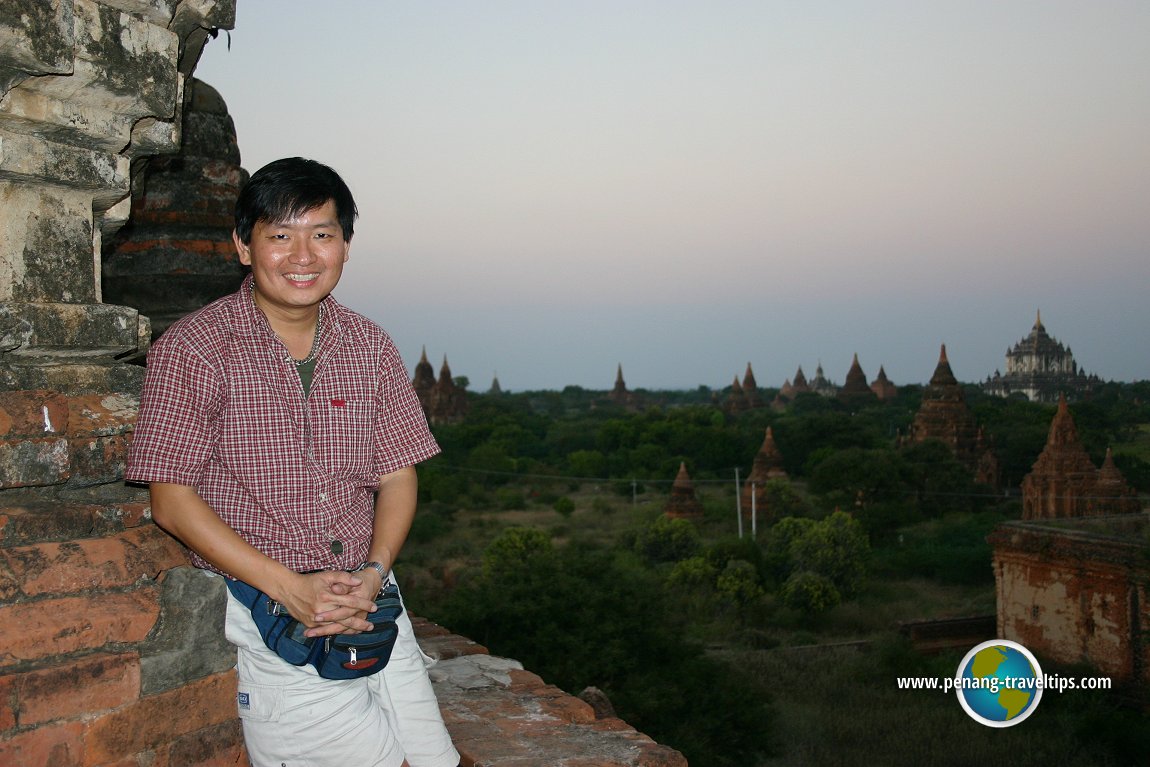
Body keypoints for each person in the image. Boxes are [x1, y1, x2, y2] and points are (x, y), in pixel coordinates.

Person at [126, 157, 460, 767]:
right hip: (275, 609)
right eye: (280, 235)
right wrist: (293, 590)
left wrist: (376, 571)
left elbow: (398, 474)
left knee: (436, 760)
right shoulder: (194, 349)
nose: (302, 256)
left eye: (321, 234)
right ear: (243, 246)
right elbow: (169, 502)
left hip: (370, 597)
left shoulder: (369, 346)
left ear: (346, 246)